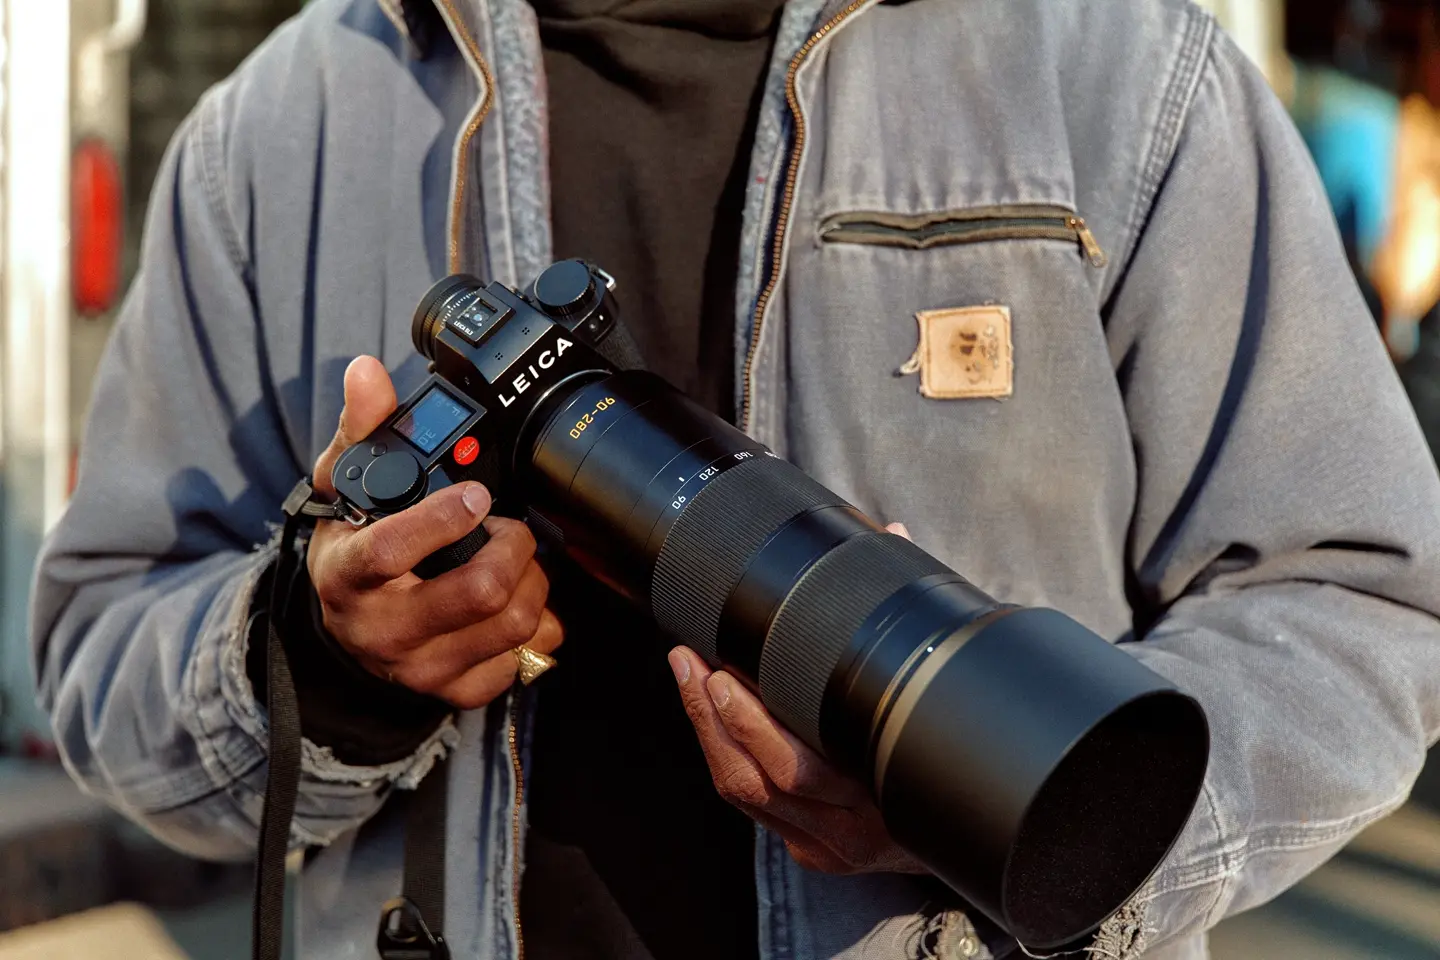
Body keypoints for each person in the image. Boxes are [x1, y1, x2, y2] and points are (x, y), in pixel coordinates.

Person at [30, 1, 1440, 959]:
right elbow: (103, 649)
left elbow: (1361, 606)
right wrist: (320, 655)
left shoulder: (1108, 70)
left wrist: (1041, 828)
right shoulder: (290, 123)